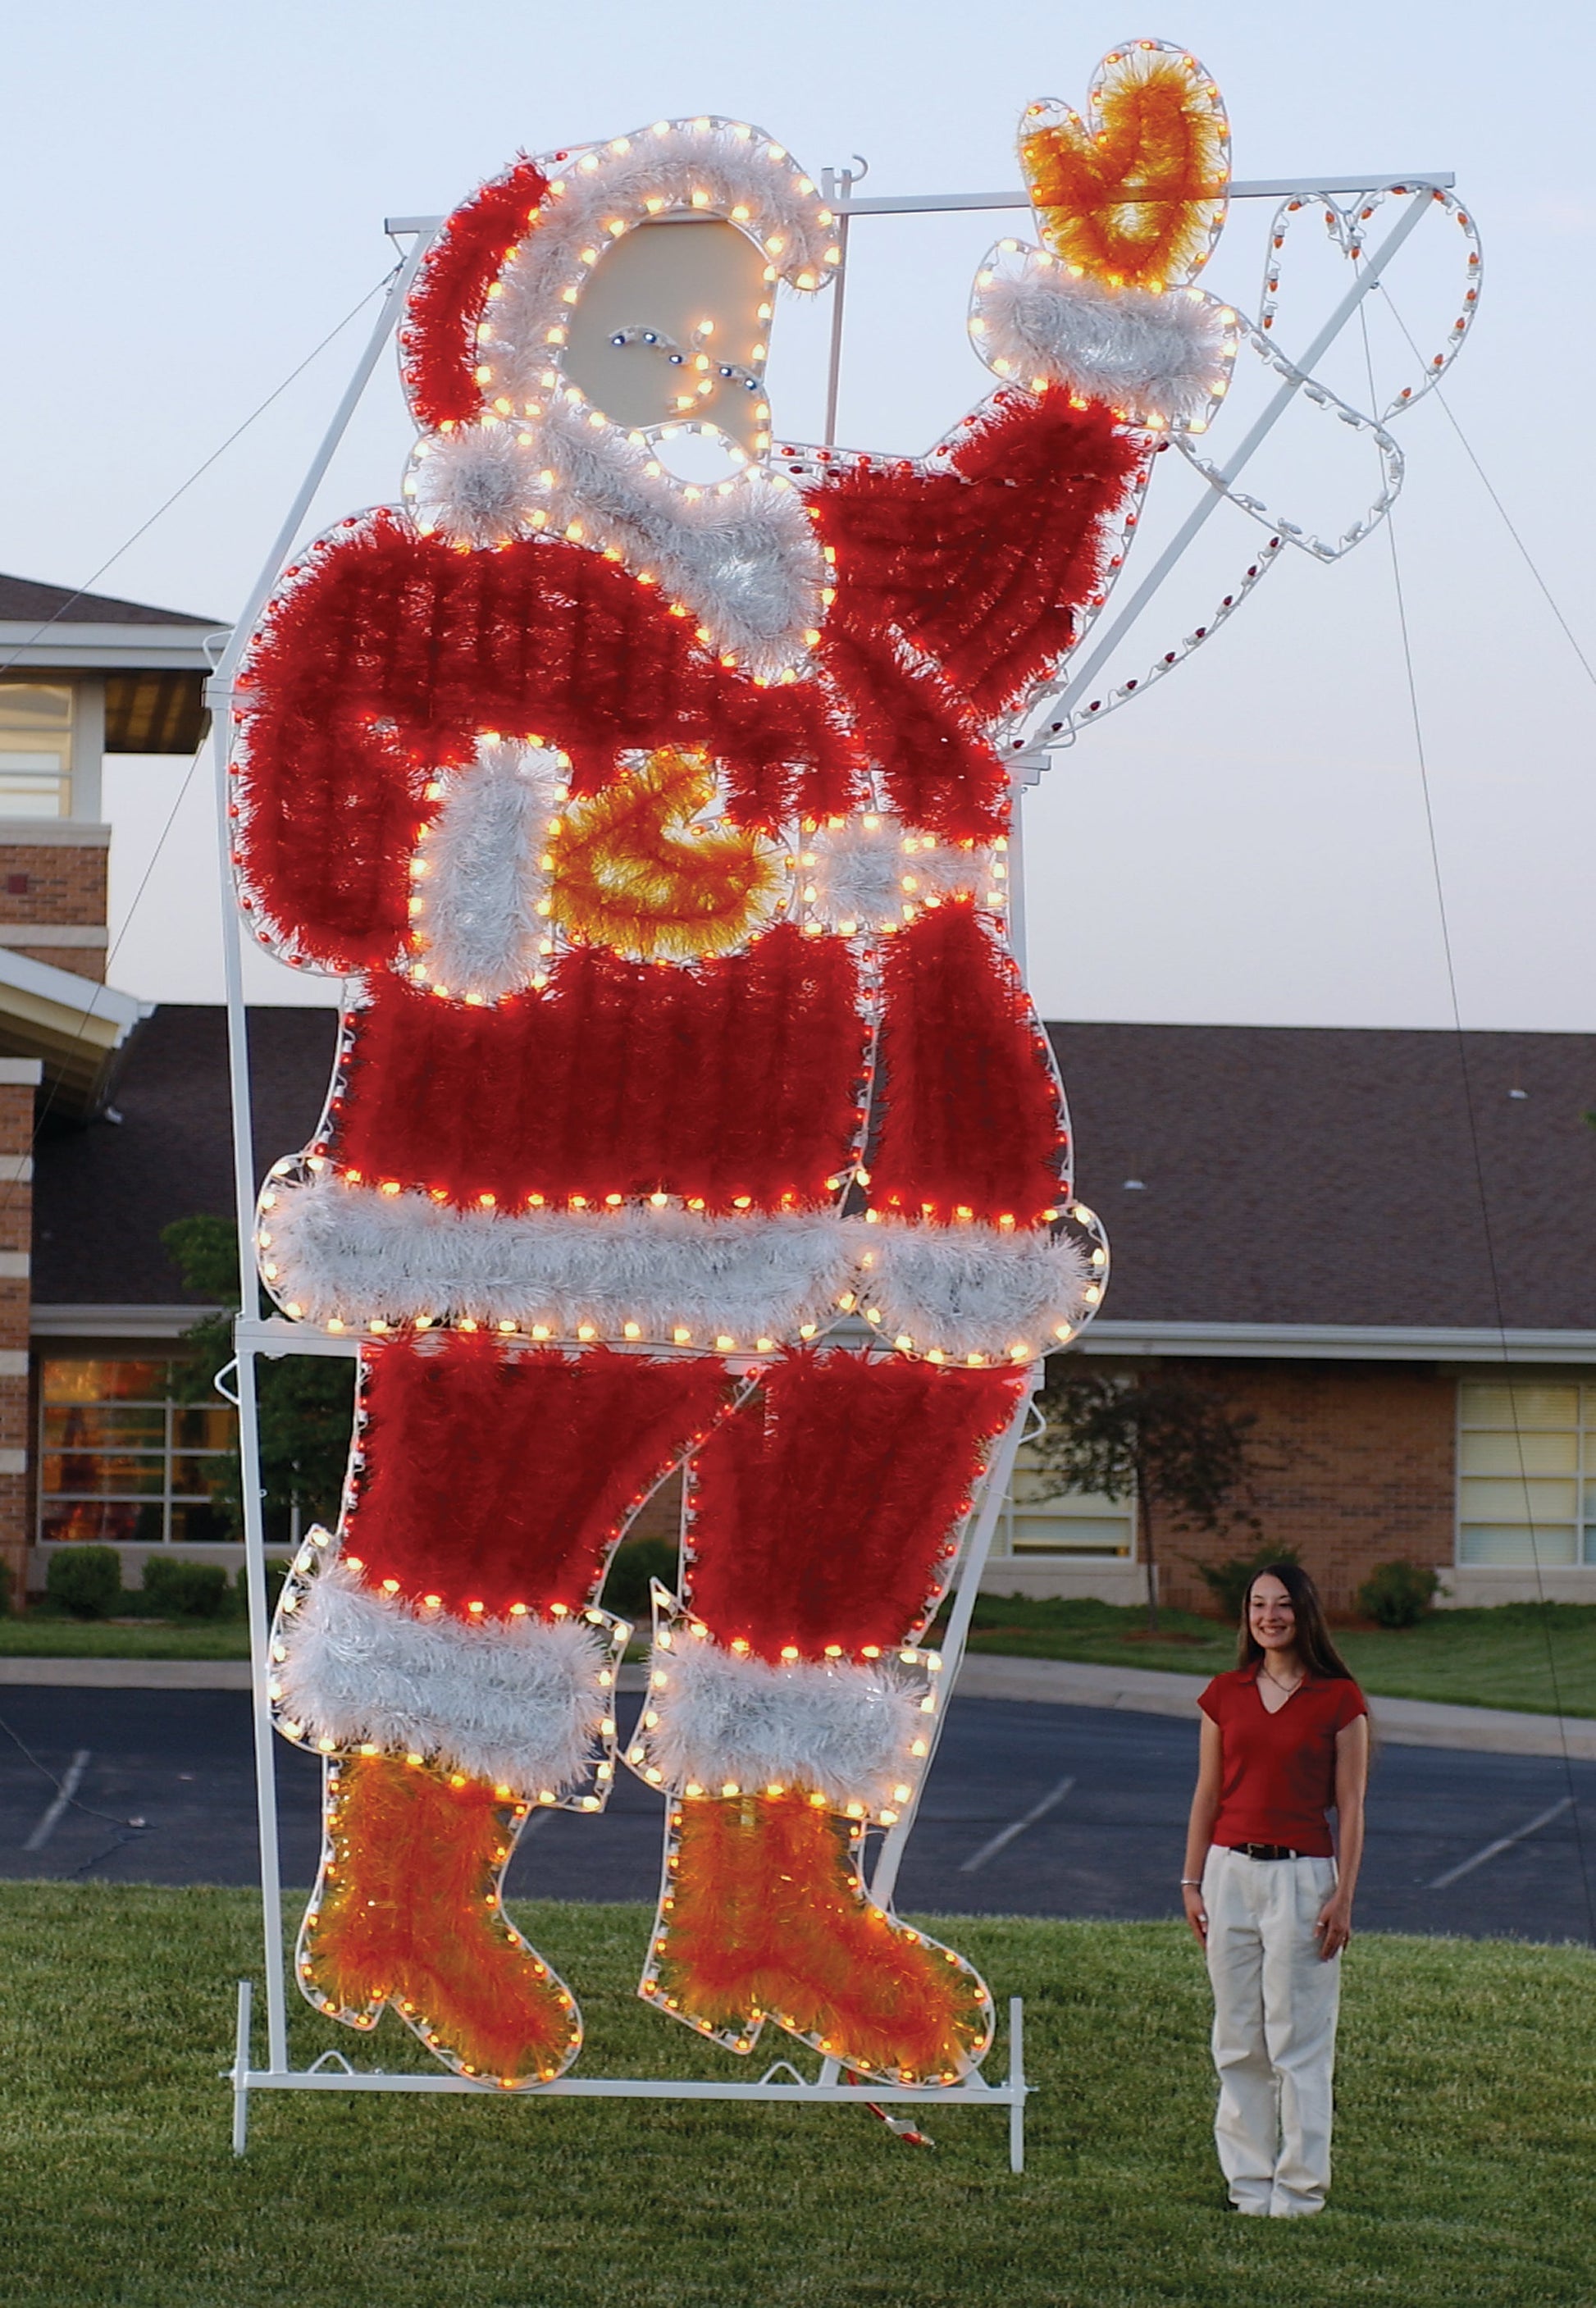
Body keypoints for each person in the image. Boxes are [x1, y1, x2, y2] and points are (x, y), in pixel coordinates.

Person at [1180, 1561, 1370, 2216]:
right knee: (1238, 2038)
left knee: (1298, 2042)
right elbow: (1207, 1794)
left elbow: (1351, 1807)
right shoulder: (1224, 1694)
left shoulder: (1340, 1700)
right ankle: (1249, 2185)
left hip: (1303, 1880)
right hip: (1230, 1874)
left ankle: (1299, 2190)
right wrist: (1191, 1879)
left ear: (1304, 1612)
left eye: (1282, 1604)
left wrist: (1342, 1896)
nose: (1269, 1616)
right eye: (1258, 1605)